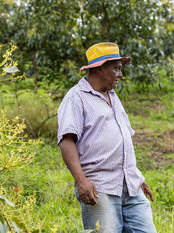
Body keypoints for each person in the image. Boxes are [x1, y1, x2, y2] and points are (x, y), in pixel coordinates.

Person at [57, 42, 157, 232]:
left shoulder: (112, 95)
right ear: (100, 68)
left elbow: (122, 140)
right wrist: (81, 181)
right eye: (116, 69)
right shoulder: (76, 98)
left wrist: (137, 177)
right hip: (99, 188)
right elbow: (66, 141)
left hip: (131, 187)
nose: (120, 74)